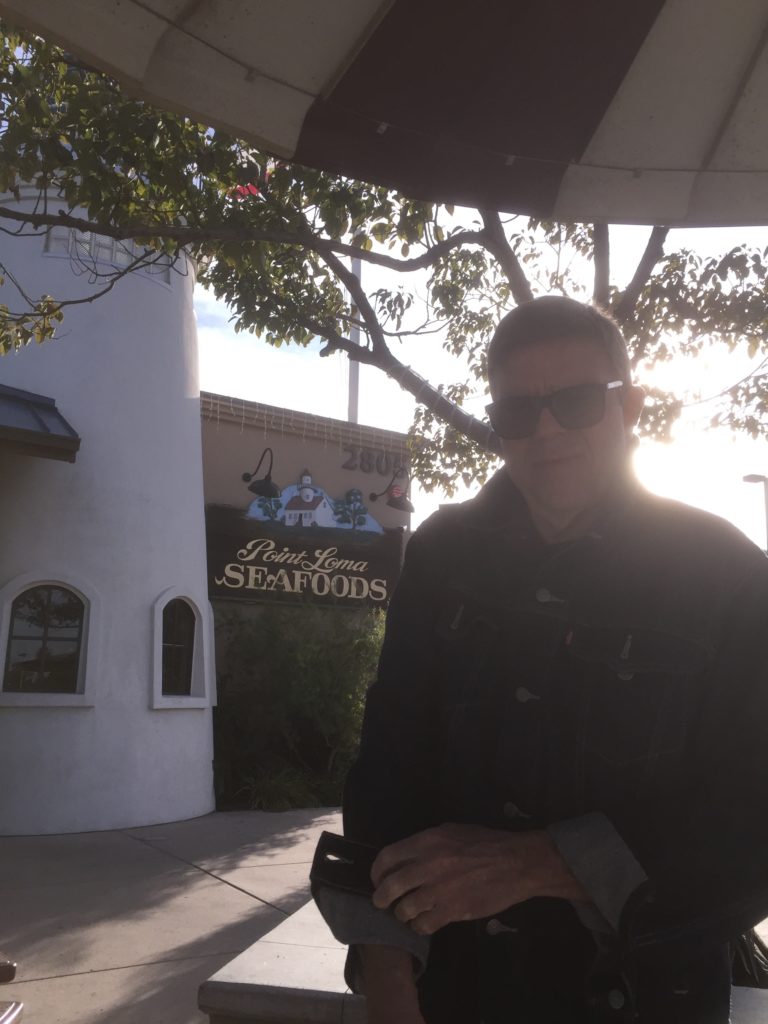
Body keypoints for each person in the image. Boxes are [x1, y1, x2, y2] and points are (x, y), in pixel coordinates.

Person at [313, 296, 768, 1023]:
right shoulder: (440, 557)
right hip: (449, 996)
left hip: (645, 999)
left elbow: (752, 823)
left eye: (577, 401)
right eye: (519, 412)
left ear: (633, 407)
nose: (547, 429)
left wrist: (543, 863)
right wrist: (388, 983)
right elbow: (386, 775)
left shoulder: (730, 578)